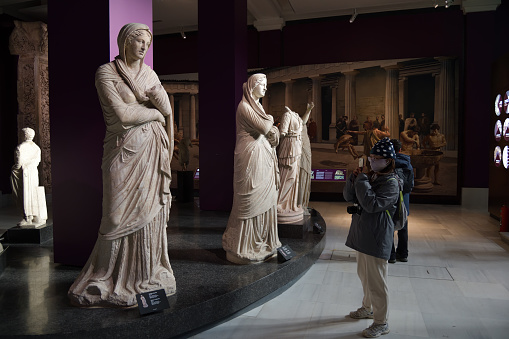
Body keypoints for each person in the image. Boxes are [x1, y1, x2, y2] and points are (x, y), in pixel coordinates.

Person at [68, 23, 176, 307]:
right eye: (139, 41)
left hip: (151, 152)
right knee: (115, 218)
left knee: (149, 214)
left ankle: (146, 273)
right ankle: (106, 276)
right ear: (125, 42)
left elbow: (167, 115)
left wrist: (162, 114)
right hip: (121, 153)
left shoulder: (150, 74)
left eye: (147, 43)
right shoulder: (106, 72)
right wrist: (156, 112)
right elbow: (122, 115)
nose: (143, 47)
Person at [222, 73, 281, 264]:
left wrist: (272, 129)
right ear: (252, 86)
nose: (265, 88)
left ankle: (262, 241)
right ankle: (244, 245)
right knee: (251, 198)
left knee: (265, 197)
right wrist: (271, 119)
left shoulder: (258, 107)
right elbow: (264, 127)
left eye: (266, 85)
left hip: (262, 155)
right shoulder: (244, 107)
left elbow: (269, 131)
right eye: (262, 85)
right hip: (250, 157)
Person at [343, 137, 399, 338]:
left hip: (377, 236)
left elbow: (372, 205)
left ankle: (381, 322)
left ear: (388, 161)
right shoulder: (372, 176)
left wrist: (363, 180)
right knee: (364, 275)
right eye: (371, 157)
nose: (372, 161)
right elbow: (349, 197)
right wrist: (353, 179)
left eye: (377, 158)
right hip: (363, 233)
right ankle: (367, 308)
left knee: (377, 281)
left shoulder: (391, 183)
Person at [278, 104, 314, 222]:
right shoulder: (288, 115)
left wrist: (308, 110)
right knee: (288, 177)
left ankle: (291, 204)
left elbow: (303, 121)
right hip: (290, 150)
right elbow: (282, 132)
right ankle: (280, 203)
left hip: (296, 150)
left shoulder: (297, 118)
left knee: (294, 178)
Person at [10, 127, 47, 227]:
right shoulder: (36, 148)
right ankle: (35, 215)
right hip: (33, 173)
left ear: (23, 135)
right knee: (32, 193)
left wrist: (14, 169)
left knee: (24, 193)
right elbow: (38, 161)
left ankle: (27, 217)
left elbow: (18, 164)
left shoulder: (21, 147)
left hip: (24, 173)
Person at [389, 139, 414, 263]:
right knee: (403, 227)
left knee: (389, 227)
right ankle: (403, 254)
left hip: (390, 201)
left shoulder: (389, 163)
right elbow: (411, 185)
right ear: (400, 149)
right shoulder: (408, 163)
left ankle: (391, 255)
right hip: (404, 200)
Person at [297, 103, 315, 215]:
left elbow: (303, 121)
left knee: (305, 179)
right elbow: (303, 121)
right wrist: (308, 110)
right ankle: (300, 204)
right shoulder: (300, 126)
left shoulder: (302, 126)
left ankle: (303, 203)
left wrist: (308, 110)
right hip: (303, 156)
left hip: (307, 154)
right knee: (302, 179)